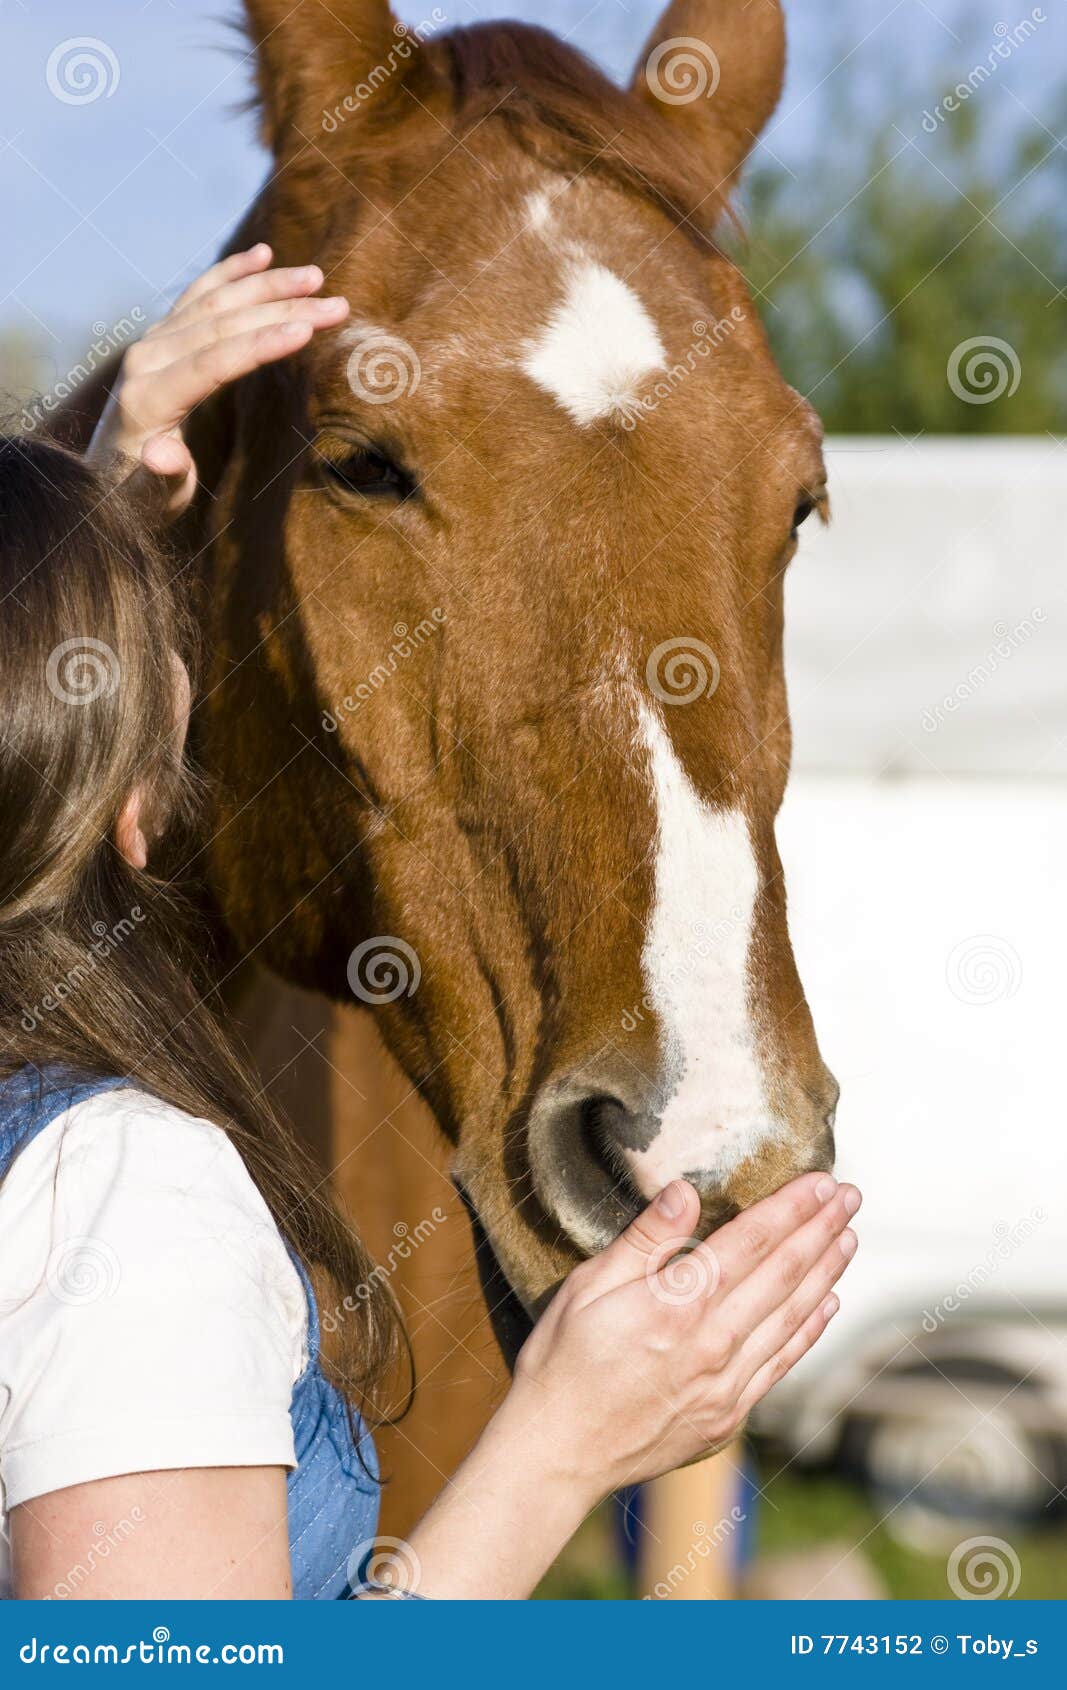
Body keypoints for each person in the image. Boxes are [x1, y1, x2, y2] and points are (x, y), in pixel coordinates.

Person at [0, 247, 861, 1600]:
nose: (178, 653)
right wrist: (558, 1451)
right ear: (126, 806)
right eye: (142, 645)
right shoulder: (112, 1195)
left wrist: (94, 501)